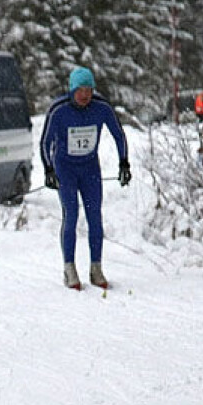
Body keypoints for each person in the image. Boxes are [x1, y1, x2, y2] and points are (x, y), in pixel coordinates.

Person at [40, 66, 131, 290]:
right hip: (65, 169)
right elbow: (45, 142)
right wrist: (48, 170)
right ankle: (69, 267)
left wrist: (124, 162)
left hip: (90, 169)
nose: (85, 95)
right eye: (80, 90)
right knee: (71, 215)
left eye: (89, 90)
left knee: (95, 217)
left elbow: (119, 134)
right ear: (72, 90)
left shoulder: (101, 108)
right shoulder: (59, 110)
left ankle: (96, 267)